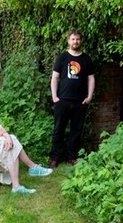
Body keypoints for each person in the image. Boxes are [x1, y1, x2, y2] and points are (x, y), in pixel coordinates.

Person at [49, 29, 95, 168]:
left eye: (78, 39)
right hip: (62, 100)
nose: (75, 42)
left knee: (76, 131)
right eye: (73, 39)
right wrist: (55, 96)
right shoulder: (62, 57)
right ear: (68, 41)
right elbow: (54, 78)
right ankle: (55, 158)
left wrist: (89, 97)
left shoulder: (86, 59)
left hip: (80, 102)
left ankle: (72, 156)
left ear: (81, 41)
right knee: (58, 130)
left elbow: (91, 79)